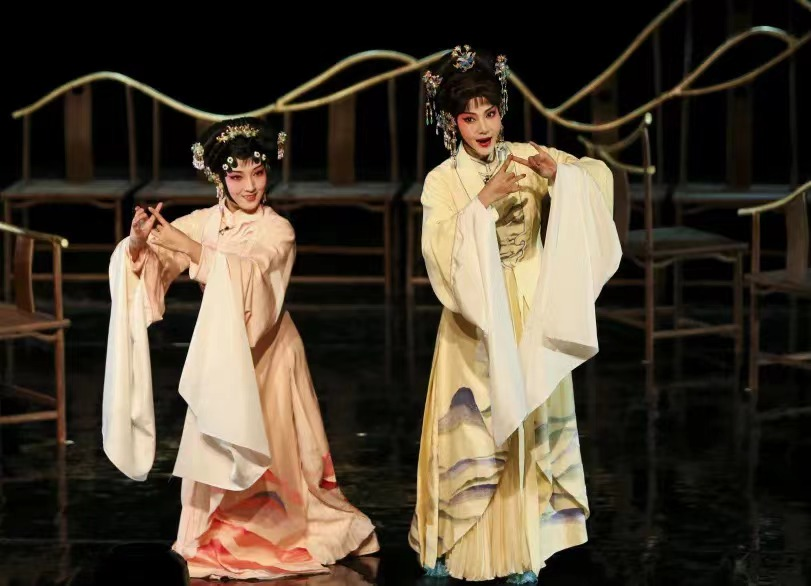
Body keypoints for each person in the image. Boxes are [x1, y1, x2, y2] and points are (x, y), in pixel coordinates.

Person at [102, 117, 379, 580]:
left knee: (274, 451)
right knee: (215, 444)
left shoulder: (278, 230)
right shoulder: (206, 222)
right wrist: (137, 243)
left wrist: (191, 249)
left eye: (258, 173)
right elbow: (155, 262)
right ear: (220, 179)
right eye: (236, 176)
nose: (250, 186)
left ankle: (277, 528)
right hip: (221, 356)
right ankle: (212, 528)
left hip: (269, 354)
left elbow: (252, 278)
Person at [409, 45, 622, 583]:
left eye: (490, 112)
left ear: (501, 111)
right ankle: (458, 539)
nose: (483, 126)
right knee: (474, 429)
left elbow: (596, 179)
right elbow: (438, 248)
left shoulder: (527, 155)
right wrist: (482, 202)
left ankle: (528, 543)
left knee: (531, 419)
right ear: (452, 122)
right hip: (475, 319)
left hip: (530, 306)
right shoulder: (442, 180)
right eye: (468, 117)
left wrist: (563, 179)